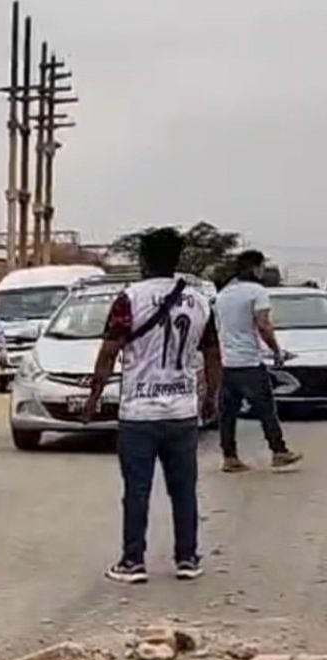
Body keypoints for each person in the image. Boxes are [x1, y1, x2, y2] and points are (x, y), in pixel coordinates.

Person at [85, 228, 222, 584]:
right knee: (184, 489)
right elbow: (212, 353)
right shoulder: (199, 301)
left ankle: (133, 561)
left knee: (137, 490)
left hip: (139, 413)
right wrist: (211, 397)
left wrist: (94, 397)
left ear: (143, 260)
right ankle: (187, 558)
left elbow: (109, 350)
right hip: (182, 411)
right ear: (177, 260)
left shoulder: (129, 298)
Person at [214, 249, 302, 473]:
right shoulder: (257, 291)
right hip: (249, 363)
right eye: (261, 267)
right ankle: (279, 452)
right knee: (266, 409)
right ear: (254, 267)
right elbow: (262, 325)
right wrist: (276, 350)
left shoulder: (224, 294)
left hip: (228, 362)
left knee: (228, 414)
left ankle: (230, 457)